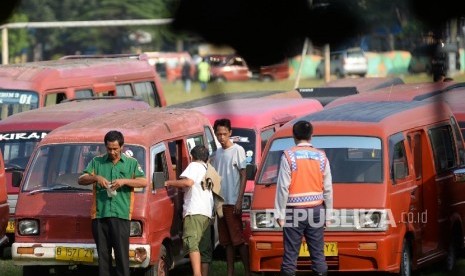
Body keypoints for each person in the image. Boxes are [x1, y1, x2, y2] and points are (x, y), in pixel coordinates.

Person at [78, 130, 147, 276]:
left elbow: (144, 181)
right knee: (103, 257)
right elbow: (81, 179)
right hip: (100, 216)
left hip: (121, 215)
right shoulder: (97, 162)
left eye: (115, 149)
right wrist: (96, 178)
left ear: (122, 147)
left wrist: (124, 181)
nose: (112, 152)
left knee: (122, 257)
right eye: (109, 148)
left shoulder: (131, 163)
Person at [274, 121, 333, 276]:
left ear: (293, 135)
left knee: (290, 256)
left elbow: (282, 187)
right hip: (316, 210)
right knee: (318, 255)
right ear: (311, 136)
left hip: (294, 211)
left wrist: (279, 214)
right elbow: (328, 189)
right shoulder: (321, 157)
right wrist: (329, 215)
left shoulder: (288, 156)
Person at [164, 145, 214, 276]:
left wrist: (169, 182)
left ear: (192, 157)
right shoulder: (207, 169)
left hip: (194, 211)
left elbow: (188, 182)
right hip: (207, 213)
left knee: (192, 243)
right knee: (204, 249)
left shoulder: (194, 166)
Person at [211, 118, 250, 276]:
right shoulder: (217, 153)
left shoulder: (238, 150)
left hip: (232, 201)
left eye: (224, 134)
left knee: (238, 239)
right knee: (226, 241)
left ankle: (248, 271)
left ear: (230, 133)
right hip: (220, 202)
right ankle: (230, 271)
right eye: (219, 134)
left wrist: (239, 200)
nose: (221, 137)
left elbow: (243, 174)